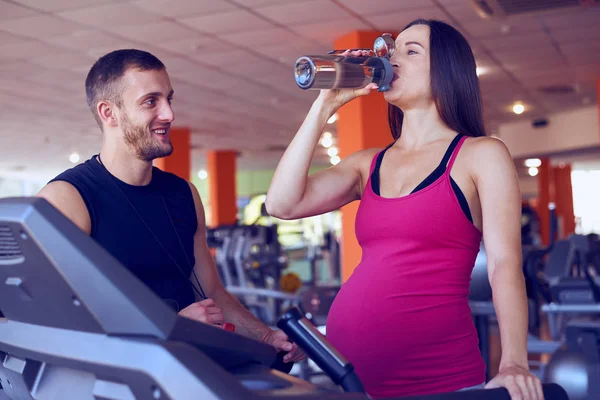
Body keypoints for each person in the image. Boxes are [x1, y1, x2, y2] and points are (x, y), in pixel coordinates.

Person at [266, 19, 542, 399]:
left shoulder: (480, 155)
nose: (393, 58)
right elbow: (281, 203)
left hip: (436, 378)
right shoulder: (368, 164)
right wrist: (325, 104)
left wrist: (514, 361)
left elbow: (504, 264)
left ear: (446, 71)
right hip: (353, 379)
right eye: (392, 51)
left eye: (411, 51)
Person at [36, 49, 304, 364]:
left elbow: (212, 293)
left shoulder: (184, 194)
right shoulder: (68, 199)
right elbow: (46, 320)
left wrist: (265, 336)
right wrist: (169, 326)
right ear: (109, 113)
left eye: (169, 99)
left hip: (187, 372)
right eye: (151, 101)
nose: (169, 114)